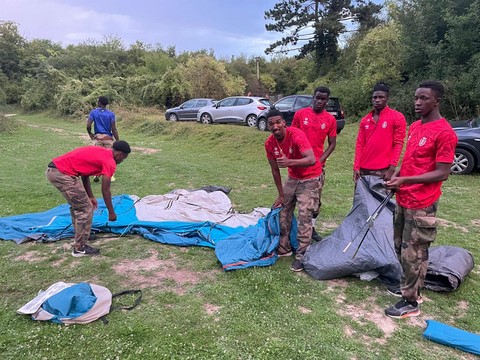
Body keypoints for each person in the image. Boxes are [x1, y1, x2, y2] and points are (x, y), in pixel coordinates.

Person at [384, 81, 457, 318]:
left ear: (437, 101)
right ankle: (412, 286)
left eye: (424, 98)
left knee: (413, 251)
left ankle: (410, 303)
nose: (417, 102)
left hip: (422, 202)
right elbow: (409, 158)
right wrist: (396, 177)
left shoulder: (445, 132)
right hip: (404, 197)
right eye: (416, 97)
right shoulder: (415, 126)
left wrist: (405, 181)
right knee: (401, 246)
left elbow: (442, 172)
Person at [46, 141, 131, 257]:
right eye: (124, 158)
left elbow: (85, 174)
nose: (122, 161)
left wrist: (90, 196)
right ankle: (79, 248)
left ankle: (82, 234)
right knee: (85, 208)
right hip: (63, 174)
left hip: (56, 170)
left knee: (80, 205)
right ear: (120, 154)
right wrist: (111, 212)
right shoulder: (109, 162)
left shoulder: (103, 153)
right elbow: (105, 190)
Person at [264, 108, 320, 272]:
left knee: (304, 213)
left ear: (283, 122)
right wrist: (281, 195)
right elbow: (275, 170)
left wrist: (289, 162)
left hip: (310, 176)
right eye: (271, 124)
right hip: (293, 178)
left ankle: (302, 255)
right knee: (282, 209)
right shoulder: (269, 143)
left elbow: (311, 159)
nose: (275, 127)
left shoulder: (296, 134)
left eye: (277, 122)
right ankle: (285, 246)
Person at [292, 86, 337, 242]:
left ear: (327, 100)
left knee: (315, 201)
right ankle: (292, 230)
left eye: (323, 99)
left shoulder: (330, 120)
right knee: (294, 200)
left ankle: (312, 228)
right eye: (317, 97)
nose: (319, 101)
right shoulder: (300, 114)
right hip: (299, 166)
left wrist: (321, 159)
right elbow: (292, 136)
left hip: (317, 168)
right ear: (313, 97)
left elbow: (332, 143)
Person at [353, 82, 406, 183]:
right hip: (364, 169)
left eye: (381, 97)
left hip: (383, 170)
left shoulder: (397, 117)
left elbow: (398, 144)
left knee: (380, 199)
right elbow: (360, 144)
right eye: (374, 97)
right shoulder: (365, 120)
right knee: (361, 199)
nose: (377, 100)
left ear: (387, 98)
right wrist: (356, 166)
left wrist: (392, 168)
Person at [86, 96, 119, 182]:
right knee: (110, 157)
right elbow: (114, 128)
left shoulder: (93, 112)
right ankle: (110, 175)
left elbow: (88, 125)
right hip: (108, 138)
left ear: (99, 103)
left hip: (98, 137)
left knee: (97, 157)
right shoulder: (111, 114)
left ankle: (96, 174)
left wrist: (90, 133)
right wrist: (118, 141)